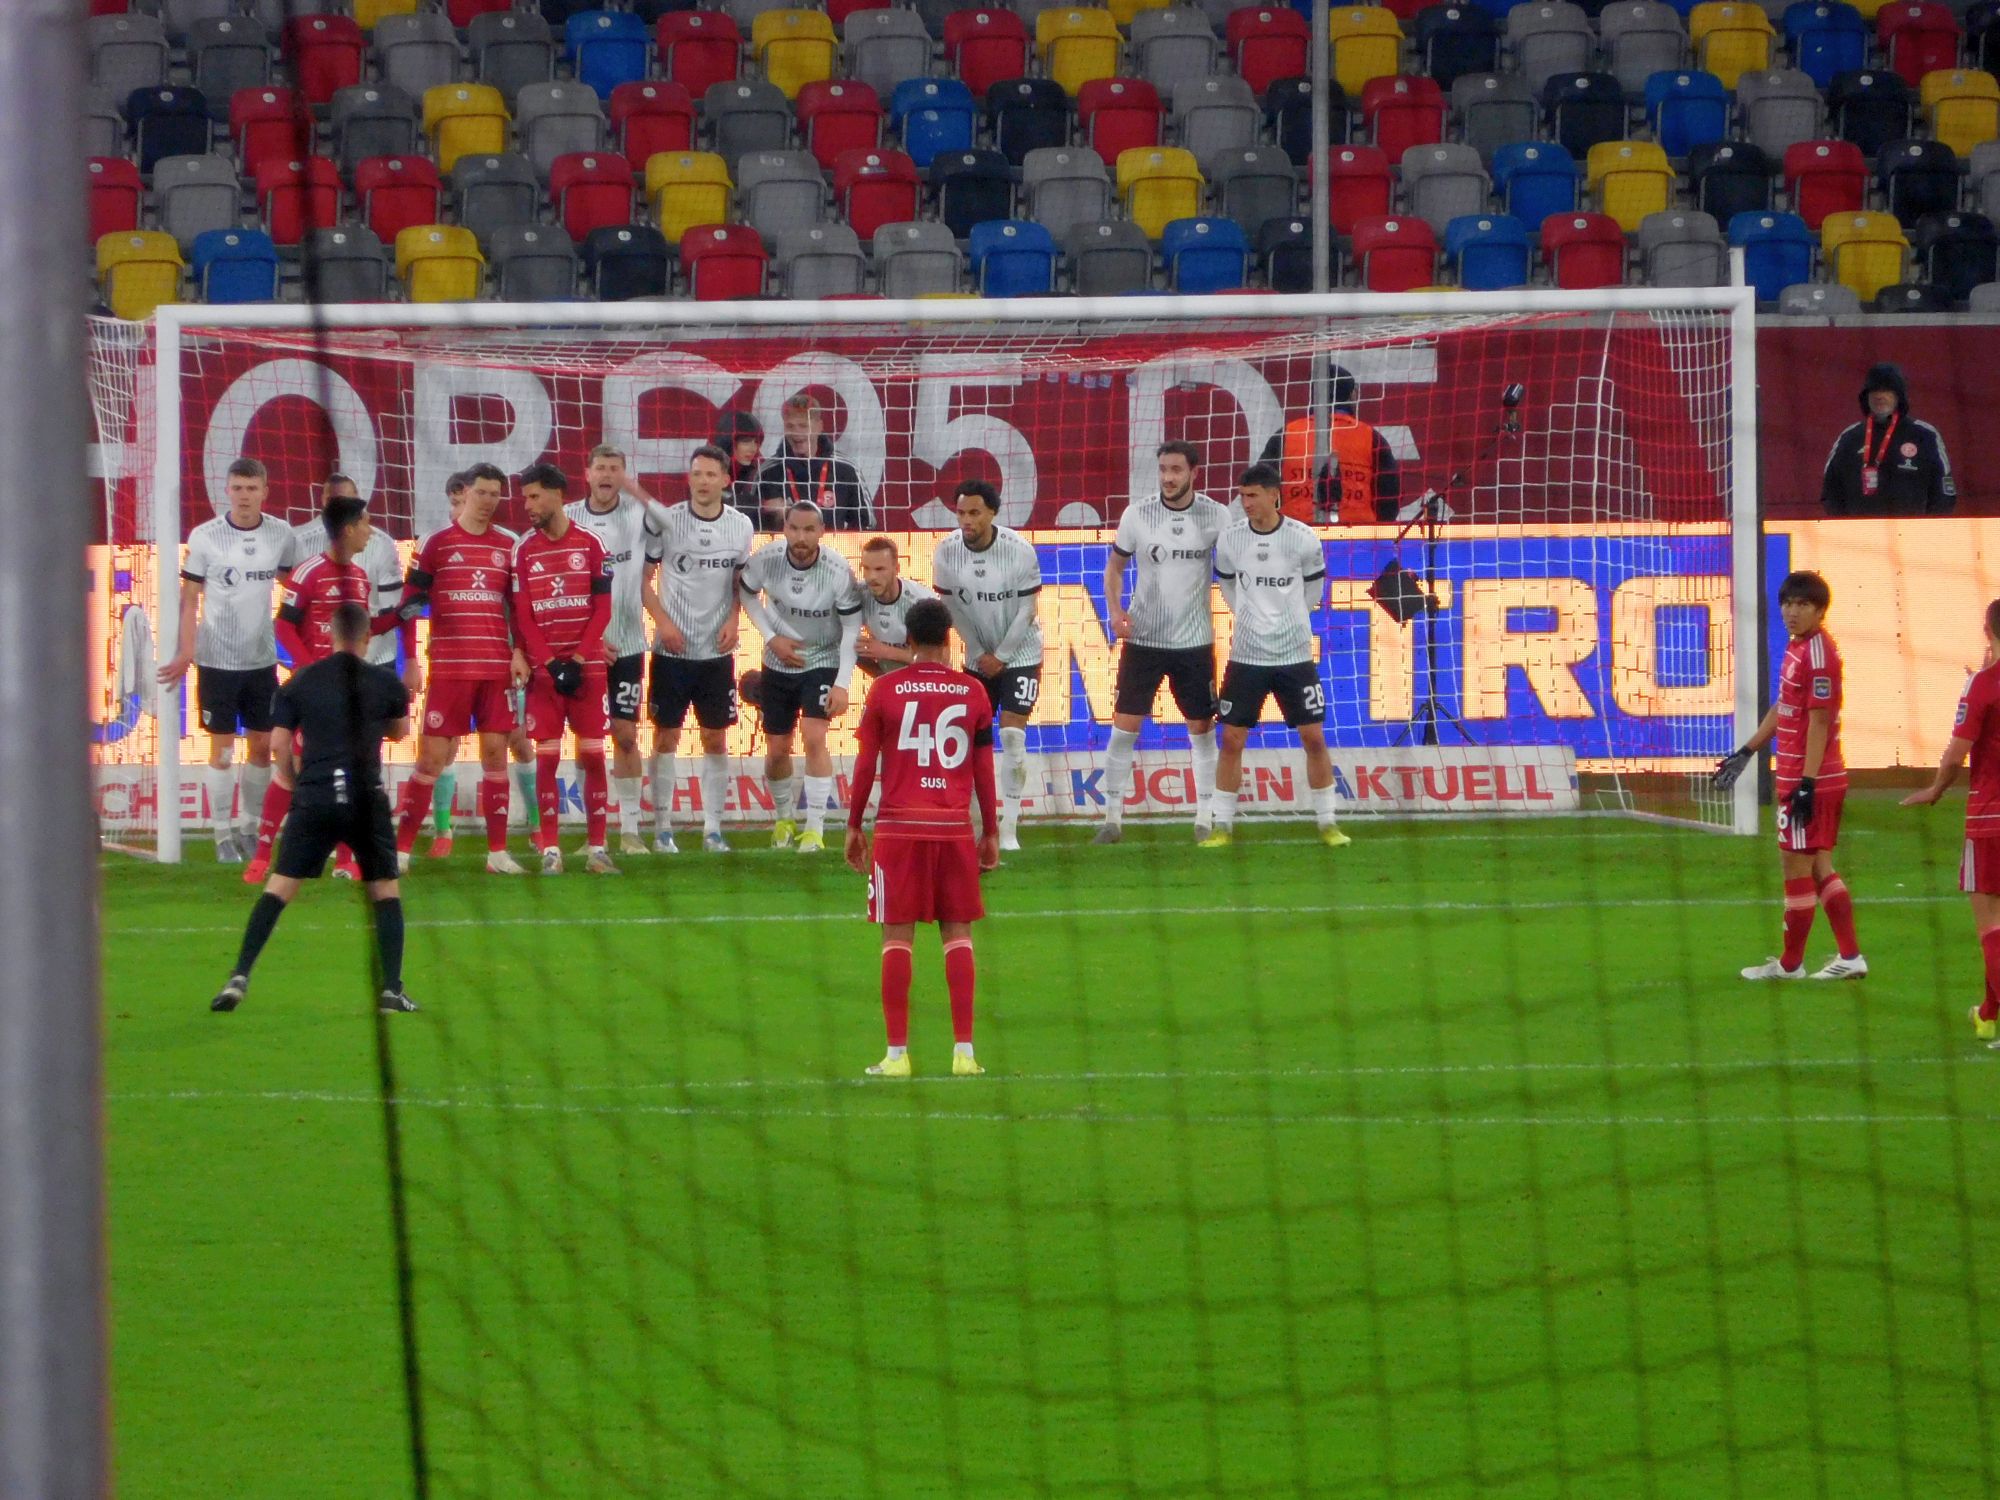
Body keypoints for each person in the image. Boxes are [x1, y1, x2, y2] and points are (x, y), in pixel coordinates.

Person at [210, 602, 419, 1016]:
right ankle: (392, 990)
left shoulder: (301, 683)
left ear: (329, 636)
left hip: (316, 796)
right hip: (364, 797)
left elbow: (277, 744)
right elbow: (399, 732)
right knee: (384, 891)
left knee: (280, 886)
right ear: (367, 638)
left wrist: (294, 779)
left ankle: (239, 975)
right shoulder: (384, 682)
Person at [845, 598, 1000, 1078]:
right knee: (959, 936)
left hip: (898, 829)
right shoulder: (973, 692)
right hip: (953, 829)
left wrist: (853, 826)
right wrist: (990, 829)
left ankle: (896, 1056)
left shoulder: (885, 690)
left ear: (908, 640)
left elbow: (867, 764)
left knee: (897, 937)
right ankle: (965, 1053)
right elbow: (983, 769)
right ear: (950, 638)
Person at [1713, 570, 1867, 980]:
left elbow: (1819, 723)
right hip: (1807, 776)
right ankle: (1850, 957)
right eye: (1788, 603)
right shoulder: (1798, 648)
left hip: (1810, 778)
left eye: (1803, 605)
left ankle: (1790, 965)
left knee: (1794, 868)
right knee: (1819, 868)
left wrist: (1807, 784)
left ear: (1820, 611)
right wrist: (1747, 751)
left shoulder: (1819, 655)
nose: (1792, 611)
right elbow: (1784, 708)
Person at [245, 491, 401, 883]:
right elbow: (283, 625)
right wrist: (311, 670)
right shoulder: (308, 572)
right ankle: (263, 854)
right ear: (349, 529)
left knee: (353, 766)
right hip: (315, 690)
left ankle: (348, 861)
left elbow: (363, 629)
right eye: (366, 522)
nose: (370, 530)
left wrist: (400, 616)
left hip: (351, 689)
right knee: (291, 768)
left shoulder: (362, 578)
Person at [1199, 464, 1351, 849]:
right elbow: (1227, 585)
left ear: (1273, 494)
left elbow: (1314, 591)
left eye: (1252, 496)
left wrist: (1289, 622)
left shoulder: (1302, 539)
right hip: (1247, 655)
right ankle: (1222, 827)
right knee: (1232, 739)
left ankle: (1328, 823)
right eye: (1242, 495)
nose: (1245, 502)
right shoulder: (1232, 539)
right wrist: (1250, 619)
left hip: (1294, 655)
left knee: (1313, 737)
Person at [392, 462, 532, 875]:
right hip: (450, 671)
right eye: (482, 493)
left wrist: (520, 651)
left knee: (495, 756)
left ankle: (498, 854)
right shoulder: (434, 543)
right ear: (464, 492)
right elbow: (409, 606)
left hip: (495, 670)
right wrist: (412, 659)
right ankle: (400, 852)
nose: (488, 502)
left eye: (495, 495)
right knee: (431, 760)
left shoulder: (509, 545)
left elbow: (520, 609)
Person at [156, 457, 293, 863]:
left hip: (261, 659)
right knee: (221, 751)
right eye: (237, 488)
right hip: (217, 660)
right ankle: (220, 834)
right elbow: (190, 598)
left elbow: (295, 588)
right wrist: (186, 650)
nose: (244, 496)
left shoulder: (281, 534)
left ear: (265, 491)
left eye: (252, 488)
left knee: (262, 747)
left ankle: (249, 826)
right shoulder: (205, 537)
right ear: (227, 491)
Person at [1099, 440, 1229, 844]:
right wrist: (1115, 609)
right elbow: (1115, 567)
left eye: (1176, 470)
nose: (1168, 477)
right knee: (1124, 727)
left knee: (1201, 729)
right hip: (1144, 638)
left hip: (1194, 642)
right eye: (1162, 470)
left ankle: (1204, 817)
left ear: (1194, 472)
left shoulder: (1217, 516)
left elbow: (1232, 572)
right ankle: (1112, 819)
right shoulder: (1137, 514)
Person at [641, 443, 755, 854]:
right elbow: (643, 579)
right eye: (697, 473)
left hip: (716, 654)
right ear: (688, 478)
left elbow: (741, 583)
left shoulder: (741, 526)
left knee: (715, 740)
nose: (703, 481)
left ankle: (712, 829)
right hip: (671, 652)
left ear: (726, 480)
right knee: (666, 739)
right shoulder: (668, 522)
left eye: (711, 474)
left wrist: (733, 619)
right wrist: (663, 623)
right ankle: (662, 829)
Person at [737, 501, 863, 853]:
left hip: (822, 658)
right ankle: (783, 819)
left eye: (810, 530)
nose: (801, 537)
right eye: (795, 529)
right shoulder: (767, 559)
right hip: (778, 662)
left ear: (822, 532)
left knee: (813, 737)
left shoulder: (838, 570)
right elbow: (746, 593)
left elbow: (853, 628)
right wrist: (770, 637)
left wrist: (842, 683)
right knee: (777, 747)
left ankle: (815, 829)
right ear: (785, 529)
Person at [1902, 599, 2000, 1044]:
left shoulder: (1982, 685)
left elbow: (1957, 751)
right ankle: (1987, 1014)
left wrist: (1936, 789)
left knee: (1991, 926)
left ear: (1987, 630)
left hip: (1991, 816)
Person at [513, 463, 617, 875]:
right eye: (525, 498)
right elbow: (523, 615)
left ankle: (596, 848)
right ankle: (551, 850)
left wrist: (576, 659)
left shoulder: (592, 544)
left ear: (558, 494)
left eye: (534, 496)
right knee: (546, 759)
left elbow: (603, 608)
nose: (528, 505)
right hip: (544, 672)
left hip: (588, 669)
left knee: (593, 757)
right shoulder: (523, 550)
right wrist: (551, 662)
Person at [931, 479, 1042, 851]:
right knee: (966, 741)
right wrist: (979, 651)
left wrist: (1004, 655)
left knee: (1012, 735)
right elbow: (951, 608)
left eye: (974, 512)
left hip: (1021, 654)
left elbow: (1028, 608)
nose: (966, 520)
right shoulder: (946, 552)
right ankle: (977, 825)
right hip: (977, 657)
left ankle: (1008, 828)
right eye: (961, 512)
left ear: (992, 512)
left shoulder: (1019, 551)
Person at [566, 443, 666, 855]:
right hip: (582, 646)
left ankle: (628, 829)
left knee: (625, 735)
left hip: (626, 643)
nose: (608, 475)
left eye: (616, 469)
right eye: (601, 467)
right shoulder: (569, 517)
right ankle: (589, 832)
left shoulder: (638, 514)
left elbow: (671, 523)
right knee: (587, 738)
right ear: (586, 473)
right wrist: (587, 640)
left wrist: (637, 490)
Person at [1258, 365, 1400, 524]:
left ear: (1313, 395)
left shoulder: (1286, 435)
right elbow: (1389, 499)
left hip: (1295, 533)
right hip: (1357, 537)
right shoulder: (1371, 437)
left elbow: (1260, 487)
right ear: (1353, 395)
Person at [1819, 363, 1956, 516]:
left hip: (1911, 535)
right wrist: (1847, 530)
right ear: (1866, 397)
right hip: (1860, 536)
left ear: (1899, 396)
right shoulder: (1849, 438)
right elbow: (1830, 491)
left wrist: (1925, 532)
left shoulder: (1924, 435)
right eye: (1874, 390)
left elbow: (1944, 493)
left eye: (1887, 390)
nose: (1879, 396)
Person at [757, 393, 872, 531]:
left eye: (803, 426)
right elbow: (752, 526)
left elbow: (866, 524)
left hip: (833, 549)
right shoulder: (768, 473)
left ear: (819, 427)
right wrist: (769, 515)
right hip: (786, 551)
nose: (796, 433)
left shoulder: (846, 469)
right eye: (790, 426)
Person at [855, 536, 938, 678]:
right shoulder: (858, 596)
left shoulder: (922, 602)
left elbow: (938, 660)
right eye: (866, 569)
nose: (871, 577)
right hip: (889, 680)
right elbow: (845, 647)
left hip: (928, 680)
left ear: (897, 568)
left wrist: (886, 651)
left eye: (880, 569)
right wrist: (883, 680)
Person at [714, 409, 767, 527]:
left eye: (756, 442)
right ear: (728, 443)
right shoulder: (708, 471)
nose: (753, 448)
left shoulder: (762, 471)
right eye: (746, 442)